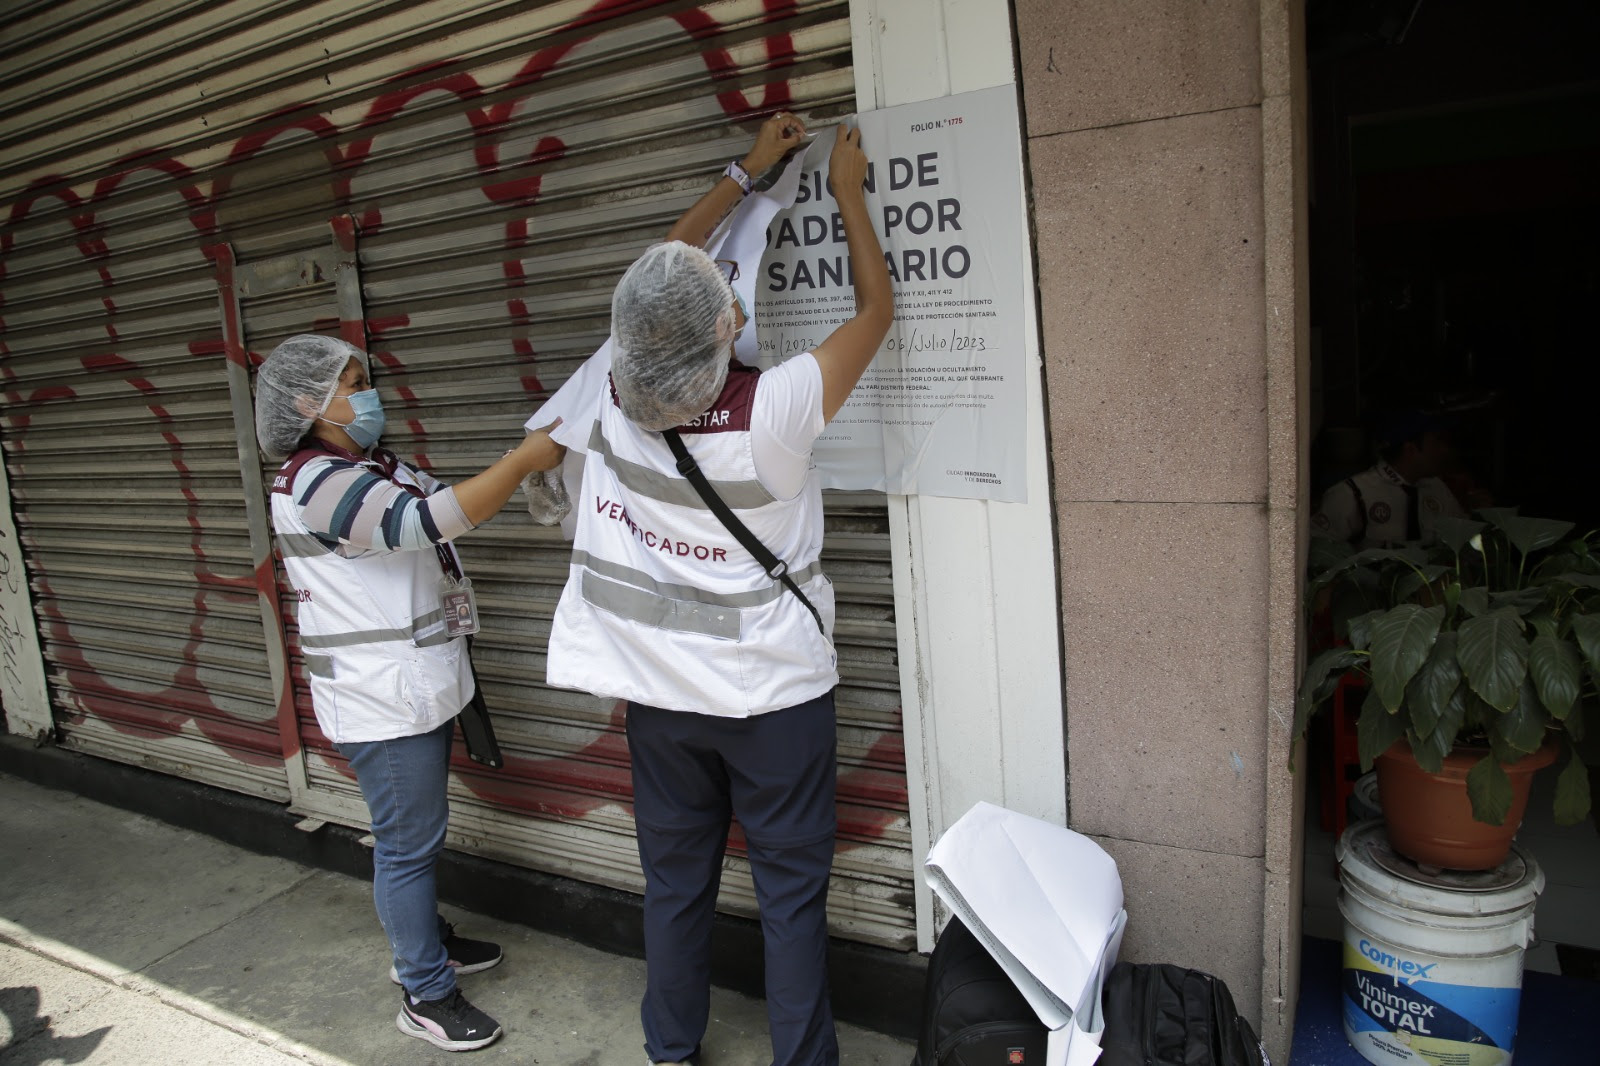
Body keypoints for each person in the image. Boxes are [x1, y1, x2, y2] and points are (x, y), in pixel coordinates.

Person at [544, 113, 893, 1066]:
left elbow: (661, 268)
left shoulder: (609, 398)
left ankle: (670, 1050)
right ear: (725, 326)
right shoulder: (772, 413)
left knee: (675, 885)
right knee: (788, 898)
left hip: (661, 703)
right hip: (773, 702)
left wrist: (746, 176)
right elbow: (873, 315)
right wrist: (848, 196)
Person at [252, 334, 565, 1052]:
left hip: (414, 687)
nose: (369, 393)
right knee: (405, 845)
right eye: (353, 382)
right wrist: (521, 461)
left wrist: (529, 453)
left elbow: (445, 497)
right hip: (380, 700)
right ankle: (424, 989)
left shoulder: (368, 463)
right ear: (308, 404)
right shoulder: (316, 480)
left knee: (418, 837)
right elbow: (418, 523)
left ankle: (431, 939)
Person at [1311, 409, 1477, 548]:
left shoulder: (1437, 488)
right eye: (1438, 441)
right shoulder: (1353, 494)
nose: (1445, 450)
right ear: (1410, 449)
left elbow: (1465, 544)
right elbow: (1320, 556)